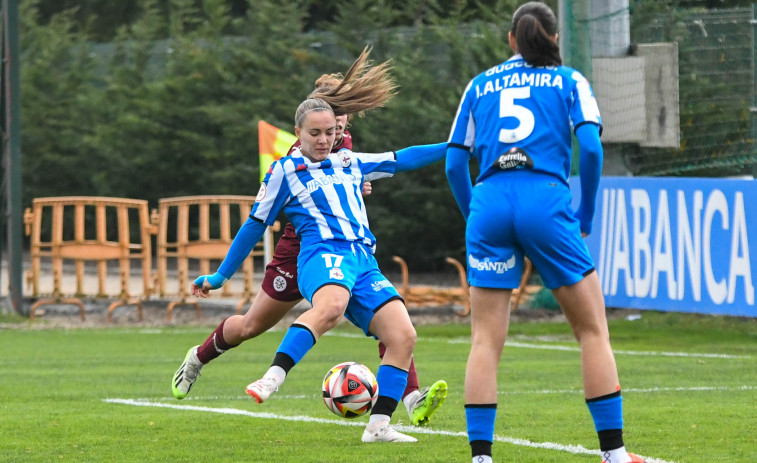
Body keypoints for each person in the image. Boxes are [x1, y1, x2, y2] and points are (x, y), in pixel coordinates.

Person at [179, 50, 448, 443]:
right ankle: (234, 368)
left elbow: (399, 159)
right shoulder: (288, 166)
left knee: (401, 333)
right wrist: (221, 274)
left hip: (357, 256)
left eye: (335, 128)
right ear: (300, 131)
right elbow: (257, 223)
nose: (329, 135)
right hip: (306, 253)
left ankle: (387, 419)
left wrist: (457, 146)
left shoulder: (348, 156)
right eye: (319, 130)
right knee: (262, 323)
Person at [445, 3, 646, 463]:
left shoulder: (479, 85)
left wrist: (473, 211)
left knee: (484, 341)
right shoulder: (570, 80)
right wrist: (587, 213)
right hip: (546, 201)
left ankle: (480, 457)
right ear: (554, 39)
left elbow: (455, 161)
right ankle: (615, 455)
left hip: (491, 201)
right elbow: (591, 149)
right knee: (592, 332)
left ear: (512, 40)